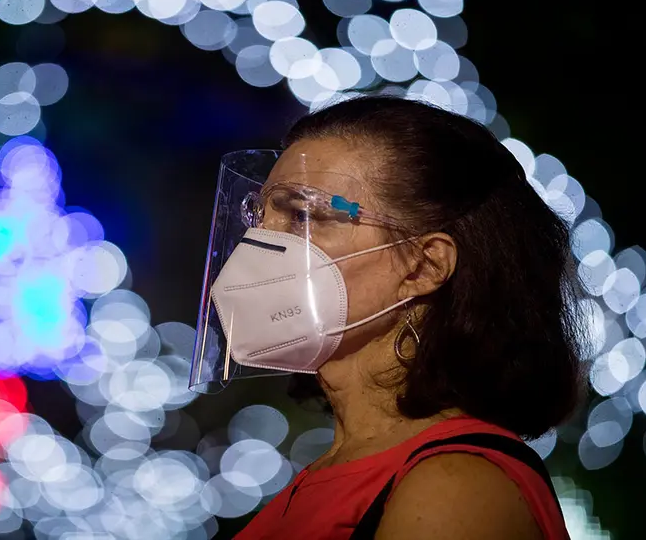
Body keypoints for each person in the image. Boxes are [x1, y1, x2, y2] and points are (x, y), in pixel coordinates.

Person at [190, 95, 585, 539]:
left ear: (424, 267)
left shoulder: (455, 487)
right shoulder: (323, 475)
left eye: (302, 215)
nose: (258, 243)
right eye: (258, 217)